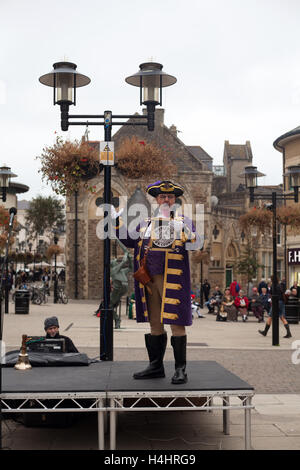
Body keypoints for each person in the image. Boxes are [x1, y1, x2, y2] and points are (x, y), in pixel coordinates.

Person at [112, 180, 201, 384]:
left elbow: (195, 241)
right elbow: (128, 240)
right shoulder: (146, 223)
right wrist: (116, 220)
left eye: (170, 197)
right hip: (149, 281)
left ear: (175, 200)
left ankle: (180, 370)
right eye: (162, 197)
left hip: (173, 279)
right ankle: (155, 366)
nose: (166, 200)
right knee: (155, 323)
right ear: (157, 200)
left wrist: (183, 230)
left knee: (176, 323)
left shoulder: (183, 221)